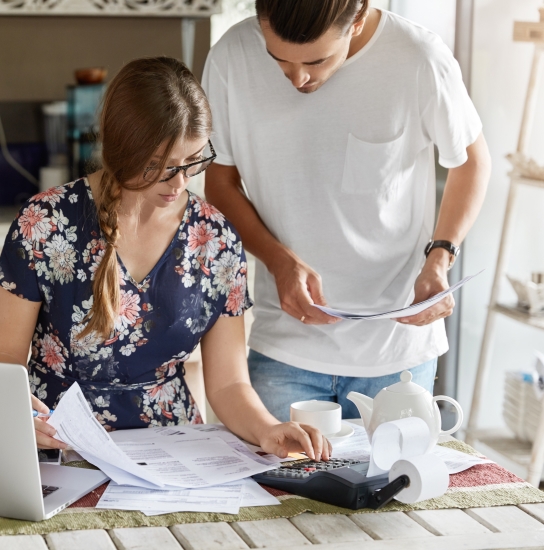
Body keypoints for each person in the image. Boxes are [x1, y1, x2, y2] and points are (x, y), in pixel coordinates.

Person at [0, 57, 330, 460]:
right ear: (121, 150)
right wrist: (19, 413)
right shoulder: (44, 223)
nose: (180, 183)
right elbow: (3, 359)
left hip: (174, 455)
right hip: (58, 448)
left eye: (193, 161)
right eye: (158, 168)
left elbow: (228, 385)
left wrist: (268, 429)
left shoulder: (215, 240)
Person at [202, 0, 491, 422]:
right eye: (278, 60)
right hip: (284, 347)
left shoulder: (419, 59)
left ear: (357, 20)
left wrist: (440, 257)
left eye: (316, 61)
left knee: (393, 485)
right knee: (277, 488)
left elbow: (471, 162)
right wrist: (279, 262)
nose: (297, 78)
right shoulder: (231, 57)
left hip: (397, 354)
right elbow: (220, 184)